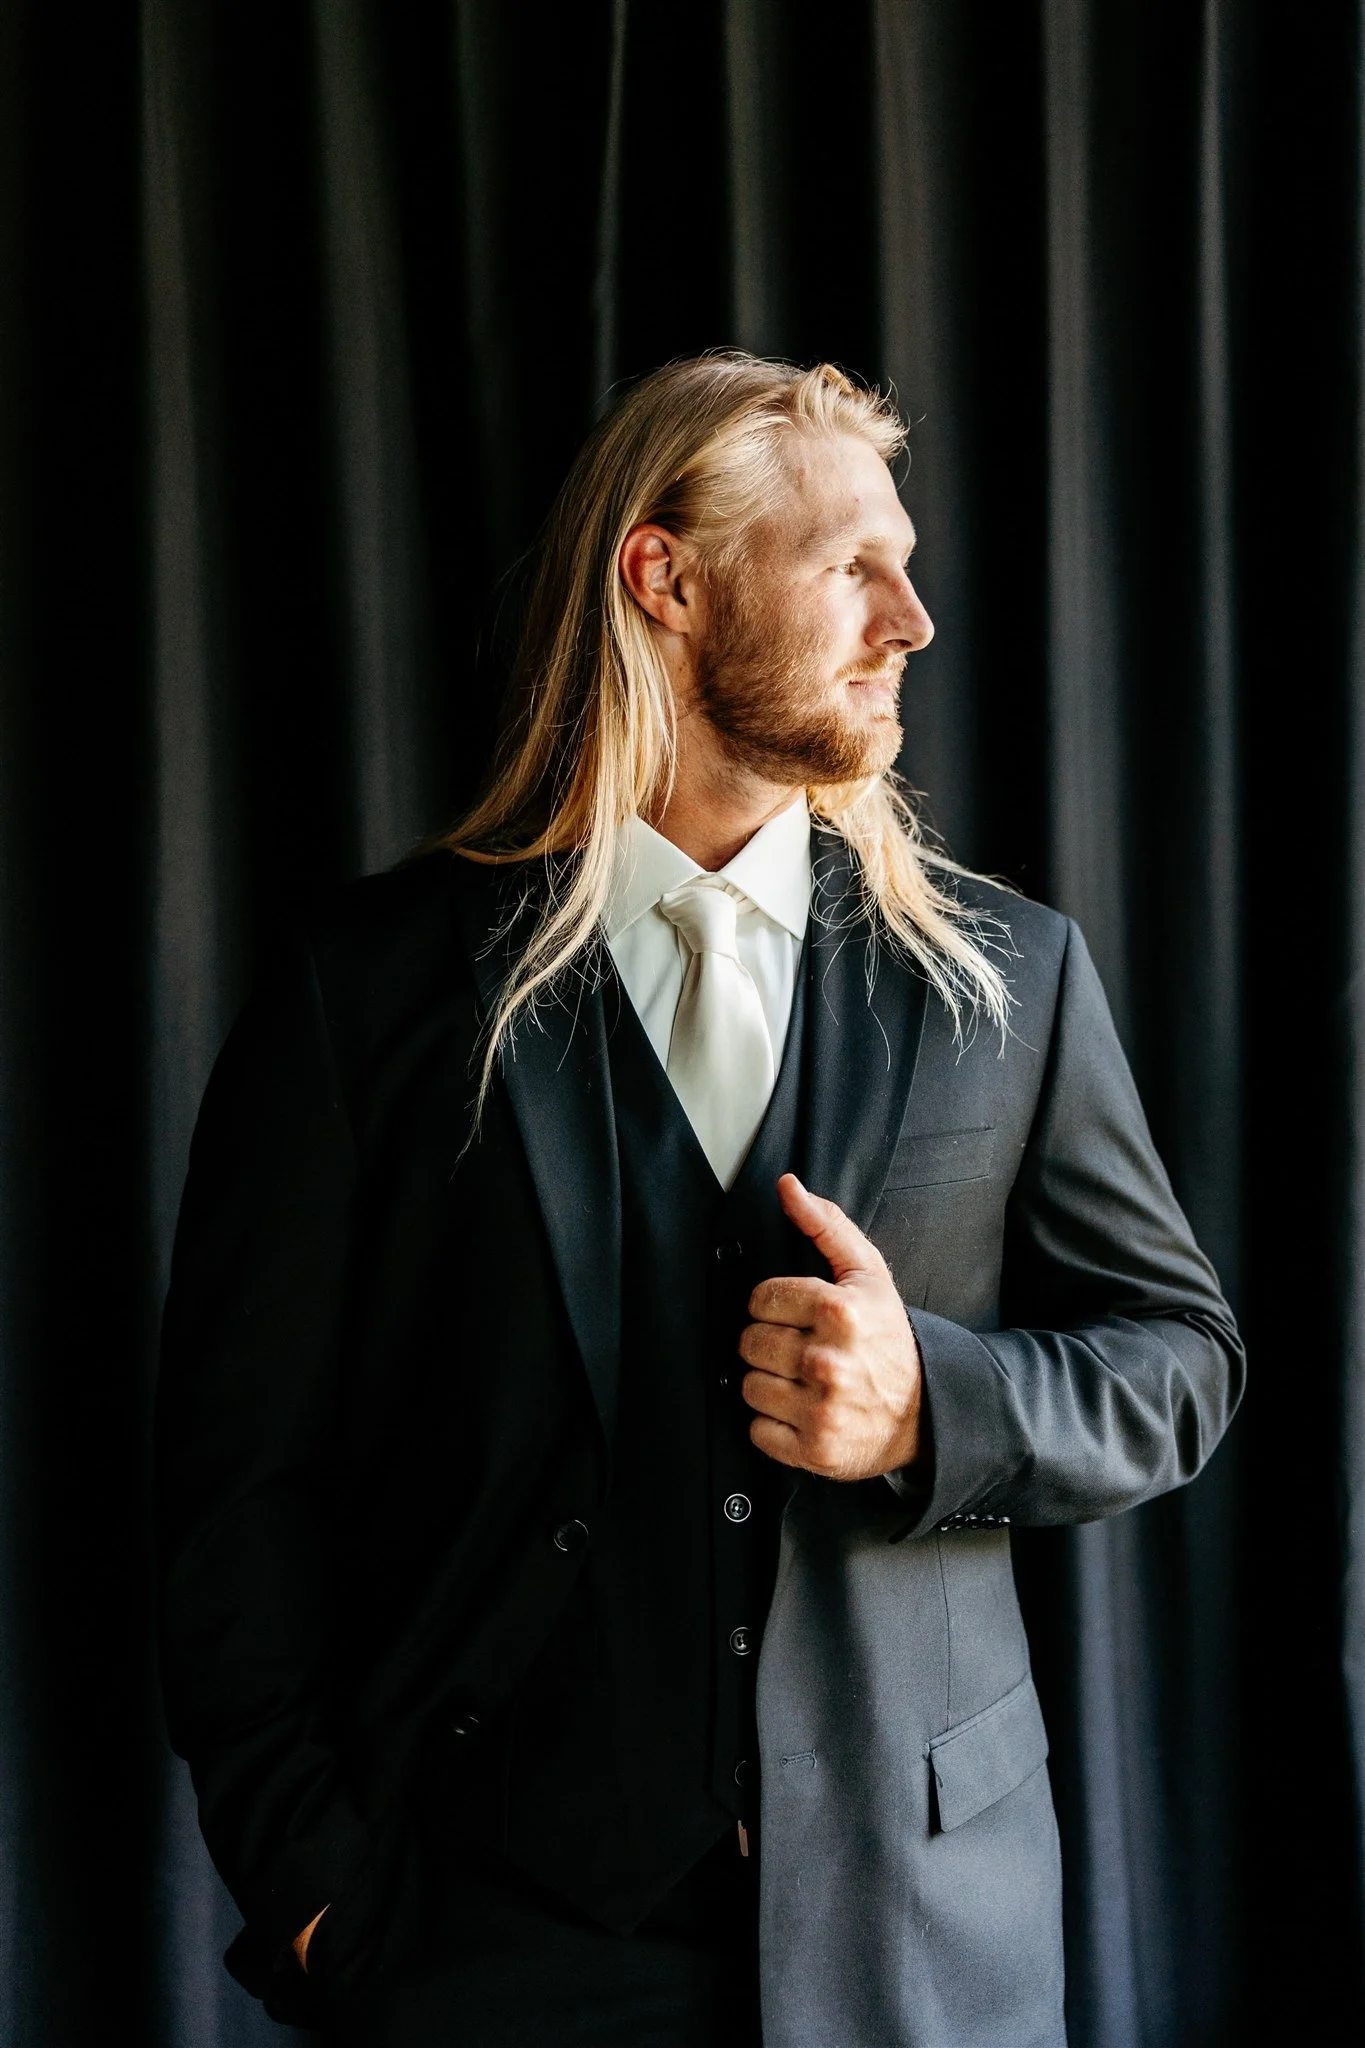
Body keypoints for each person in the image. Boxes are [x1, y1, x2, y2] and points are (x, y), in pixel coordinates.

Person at [155, 352, 1244, 2048]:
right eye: (851, 566)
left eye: (909, 561)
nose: (915, 619)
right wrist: (314, 1897)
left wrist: (927, 1408)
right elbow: (232, 1490)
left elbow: (1182, 1361)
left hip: (927, 1941)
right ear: (665, 578)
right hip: (486, 1946)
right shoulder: (364, 995)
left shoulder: (1011, 980)